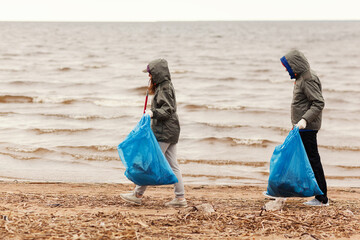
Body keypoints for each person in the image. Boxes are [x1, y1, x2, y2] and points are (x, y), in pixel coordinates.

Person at [120, 58, 187, 207]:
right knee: (172, 164)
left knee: (149, 163)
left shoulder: (165, 88)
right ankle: (180, 198)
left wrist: (152, 113)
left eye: (150, 74)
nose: (149, 76)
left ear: (158, 73)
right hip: (171, 130)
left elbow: (167, 110)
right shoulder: (164, 86)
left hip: (165, 131)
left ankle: (137, 194)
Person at [280, 49, 328, 206]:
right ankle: (314, 195)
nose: (287, 70)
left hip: (307, 127)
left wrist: (304, 121)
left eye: (288, 67)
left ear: (296, 65)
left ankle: (322, 199)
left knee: (313, 161)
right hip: (301, 128)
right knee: (306, 160)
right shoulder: (301, 78)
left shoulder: (307, 79)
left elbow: (319, 102)